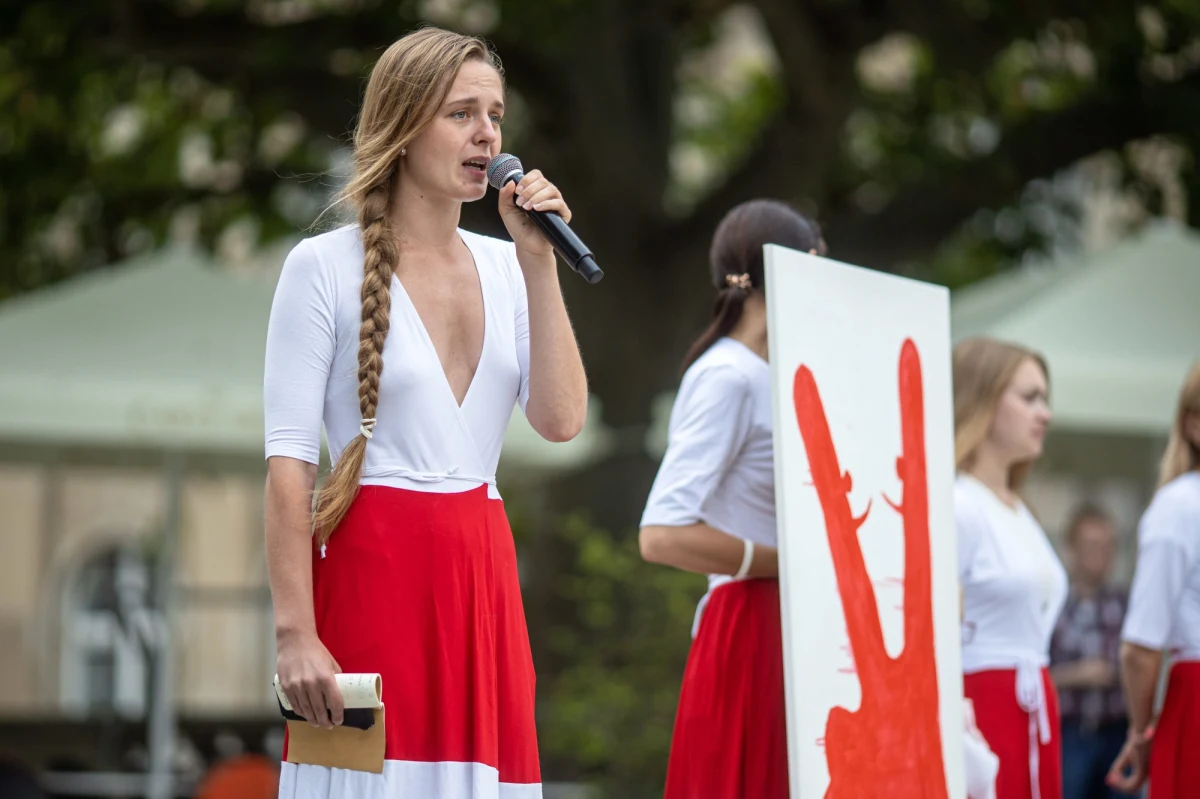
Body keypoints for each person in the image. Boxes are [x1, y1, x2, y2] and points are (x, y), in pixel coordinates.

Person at [262, 26, 588, 799]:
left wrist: (542, 262)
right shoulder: (322, 267)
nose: (488, 135)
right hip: (374, 572)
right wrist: (294, 633)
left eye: (496, 115)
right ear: (405, 128)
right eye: (462, 114)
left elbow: (562, 419)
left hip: (481, 579)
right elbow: (287, 467)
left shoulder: (513, 264)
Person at [638, 198, 825, 798]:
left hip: (800, 620)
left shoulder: (784, 375)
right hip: (751, 621)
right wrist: (789, 561)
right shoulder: (729, 375)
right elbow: (661, 533)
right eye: (817, 263)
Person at [954, 337, 1068, 799]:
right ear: (983, 397)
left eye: (1045, 398)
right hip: (984, 709)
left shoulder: (1018, 508)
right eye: (1029, 397)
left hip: (1033, 706)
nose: (1045, 413)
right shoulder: (958, 504)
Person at [1107, 362, 1200, 798]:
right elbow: (1140, 649)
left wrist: (1139, 733)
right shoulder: (1180, 506)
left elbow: (1140, 649)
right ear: (1192, 425)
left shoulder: (1178, 506)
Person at [1048, 505, 1128, 799]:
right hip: (1071, 735)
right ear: (1072, 548)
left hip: (1118, 733)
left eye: (1108, 547)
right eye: (1093, 545)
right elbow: (1036, 676)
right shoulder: (1052, 607)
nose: (1101, 554)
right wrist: (1077, 675)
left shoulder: (1125, 603)